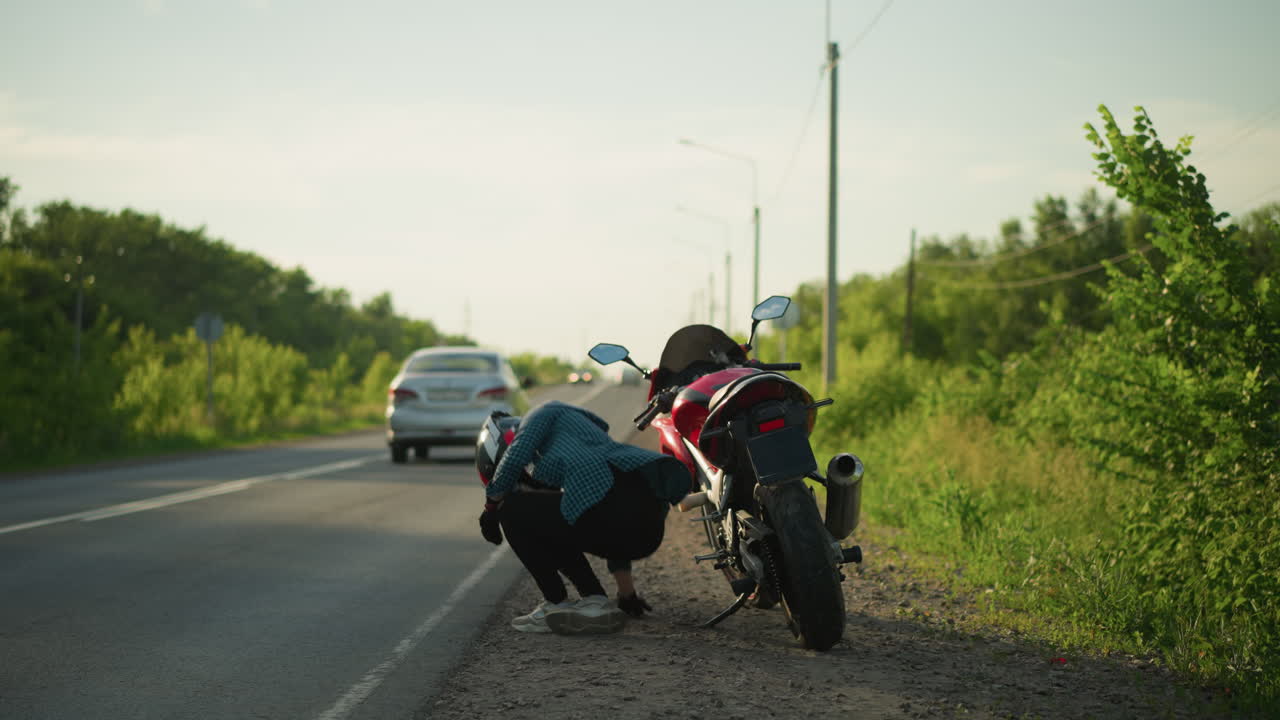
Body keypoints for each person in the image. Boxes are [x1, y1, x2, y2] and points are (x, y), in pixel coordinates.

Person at [474, 401, 692, 635]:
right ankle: (595, 602)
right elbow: (615, 510)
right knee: (555, 521)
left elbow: (515, 457)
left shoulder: (542, 413)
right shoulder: (582, 437)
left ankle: (556, 603)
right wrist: (626, 592)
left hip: (618, 513)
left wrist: (492, 507)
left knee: (512, 509)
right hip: (644, 533)